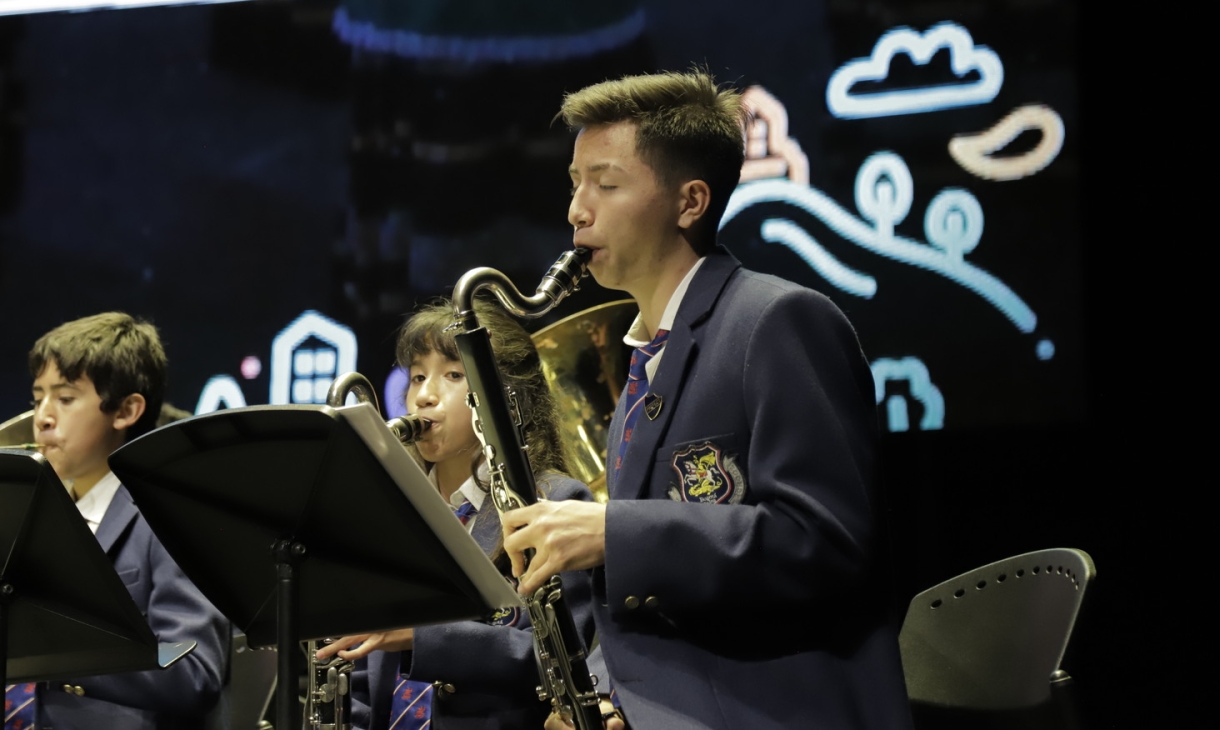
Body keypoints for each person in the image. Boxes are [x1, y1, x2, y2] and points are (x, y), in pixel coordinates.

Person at [503, 70, 914, 729]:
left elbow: (824, 543)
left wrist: (612, 532)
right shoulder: (644, 362)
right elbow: (643, 607)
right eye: (575, 184)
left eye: (606, 184)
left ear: (690, 201)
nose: (577, 210)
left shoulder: (778, 321)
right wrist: (603, 699)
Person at [315, 300, 598, 729]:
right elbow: (359, 677)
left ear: (505, 397)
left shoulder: (554, 502)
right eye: (416, 377)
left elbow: (560, 661)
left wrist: (422, 636)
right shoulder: (391, 515)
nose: (424, 395)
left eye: (452, 374)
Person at [11, 312, 230, 730]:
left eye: (66, 398)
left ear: (127, 410)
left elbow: (194, 675)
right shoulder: (32, 518)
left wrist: (46, 657)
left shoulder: (168, 519)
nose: (42, 417)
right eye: (37, 398)